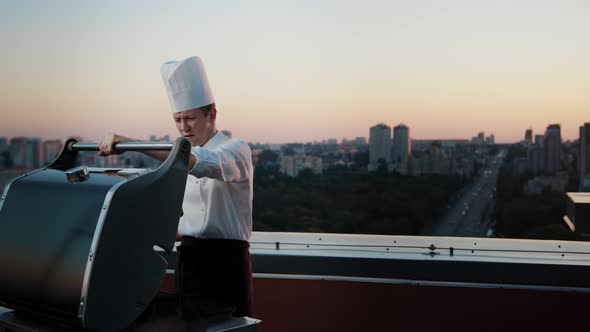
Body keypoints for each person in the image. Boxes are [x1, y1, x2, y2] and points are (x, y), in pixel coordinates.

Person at [98, 56, 254, 321]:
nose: (183, 127)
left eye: (190, 118)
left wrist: (127, 142)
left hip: (227, 265)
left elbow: (201, 164)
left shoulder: (235, 149)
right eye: (177, 119)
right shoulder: (183, 153)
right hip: (188, 261)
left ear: (212, 114)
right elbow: (163, 184)